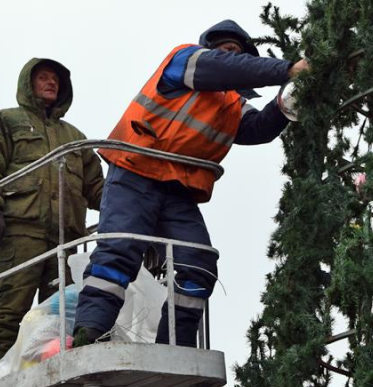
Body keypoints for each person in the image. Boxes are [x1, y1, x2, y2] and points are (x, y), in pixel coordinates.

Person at [72, 20, 308, 347]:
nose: (231, 57)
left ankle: (174, 348)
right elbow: (222, 67)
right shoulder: (185, 60)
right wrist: (288, 69)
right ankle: (88, 333)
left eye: (238, 53)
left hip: (177, 192)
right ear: (211, 49)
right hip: (135, 172)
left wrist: (288, 101)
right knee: (119, 252)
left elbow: (258, 129)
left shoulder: (232, 105)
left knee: (198, 265)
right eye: (227, 50)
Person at [0, 58, 104, 381]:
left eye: (56, 79)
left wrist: (131, 211)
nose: (51, 83)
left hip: (67, 241)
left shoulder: (76, 138)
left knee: (59, 317)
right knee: (9, 313)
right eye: (43, 77)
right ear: (27, 84)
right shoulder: (5, 121)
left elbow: (98, 188)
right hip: (20, 233)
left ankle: (55, 376)